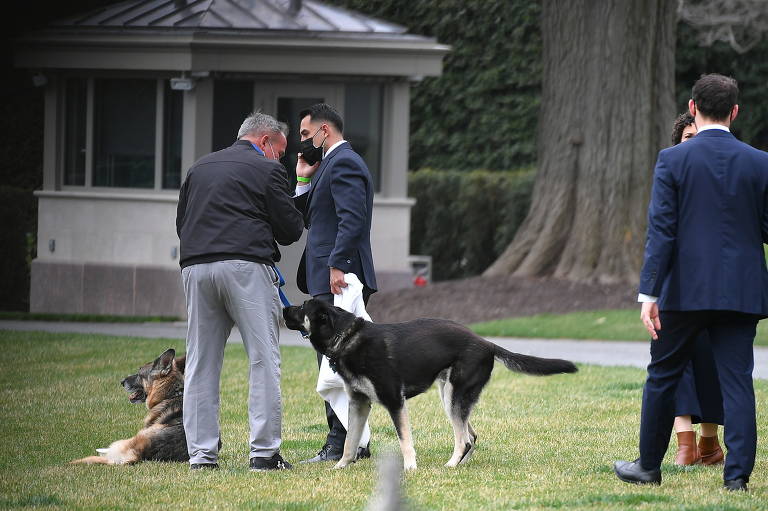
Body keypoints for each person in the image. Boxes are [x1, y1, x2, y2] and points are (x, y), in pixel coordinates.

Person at [614, 74, 768, 492]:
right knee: (738, 380)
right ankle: (736, 478)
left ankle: (648, 466)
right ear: (735, 111)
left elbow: (661, 231)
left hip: (684, 291)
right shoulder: (761, 162)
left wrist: (649, 293)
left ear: (693, 108)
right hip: (742, 290)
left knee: (662, 375)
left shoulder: (672, 159)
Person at [176, 112, 304, 471]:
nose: (279, 158)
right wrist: (301, 186)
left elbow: (181, 222)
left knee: (201, 362)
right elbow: (291, 229)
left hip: (196, 267)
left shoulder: (199, 168)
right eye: (278, 150)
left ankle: (201, 457)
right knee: (263, 359)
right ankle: (263, 454)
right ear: (265, 141)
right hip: (246, 267)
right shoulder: (268, 170)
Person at [293, 103, 378, 463]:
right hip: (328, 274)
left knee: (337, 362)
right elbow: (312, 217)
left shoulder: (343, 162)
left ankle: (340, 442)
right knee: (337, 360)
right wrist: (302, 179)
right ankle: (355, 442)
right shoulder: (328, 164)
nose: (302, 142)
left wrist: (338, 265)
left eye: (305, 134)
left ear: (324, 130)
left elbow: (352, 218)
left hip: (338, 278)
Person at [668, 112, 724, 467]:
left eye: (698, 135)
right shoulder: (669, 176)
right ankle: (685, 445)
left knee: (708, 360)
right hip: (677, 282)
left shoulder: (722, 179)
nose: (694, 143)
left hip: (716, 285)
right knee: (674, 361)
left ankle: (708, 444)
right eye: (688, 138)